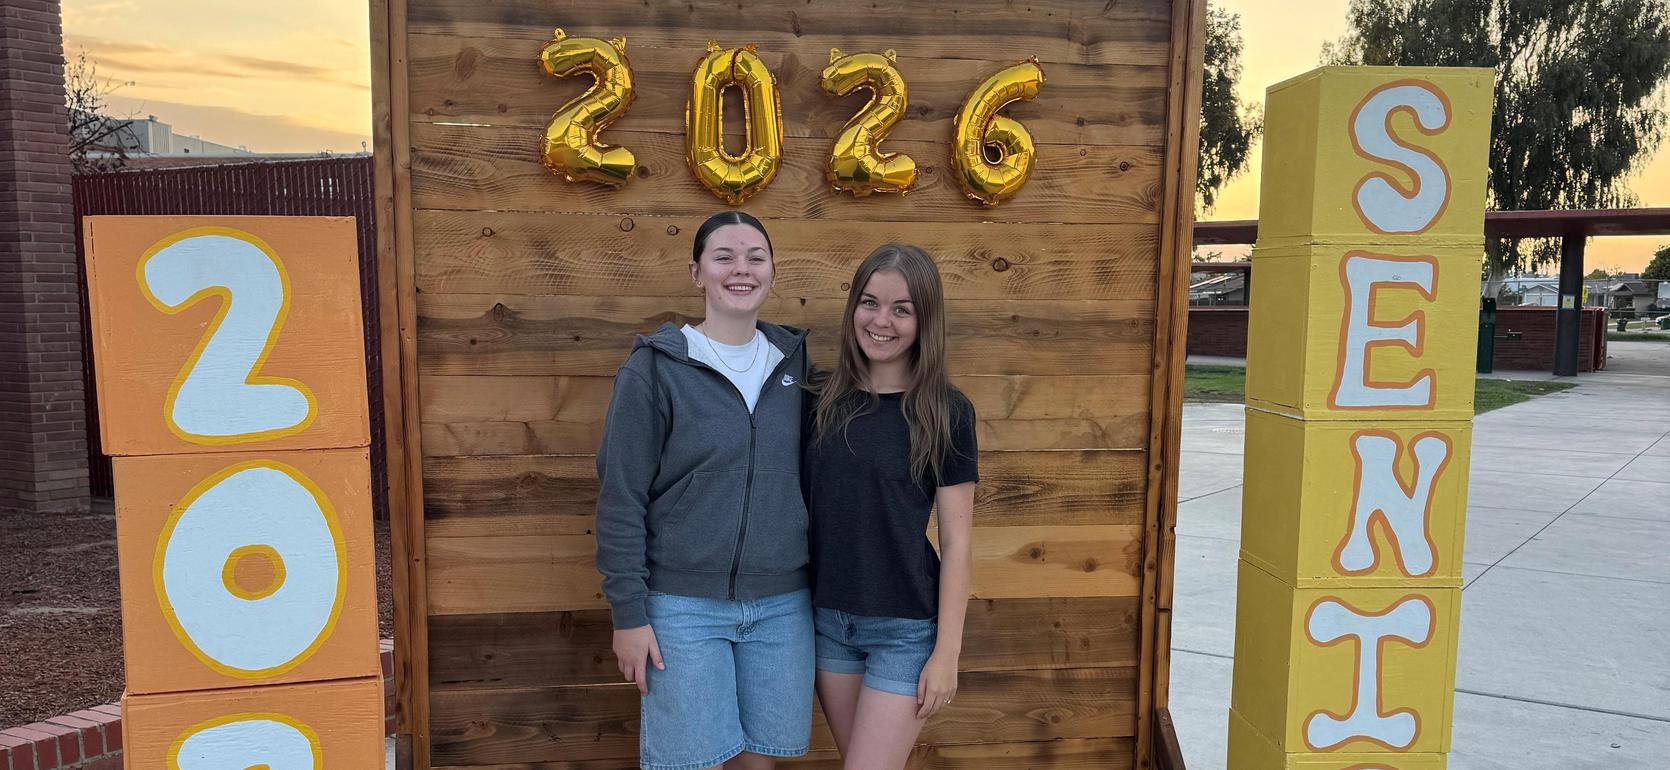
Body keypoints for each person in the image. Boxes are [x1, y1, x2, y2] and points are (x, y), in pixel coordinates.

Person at [595, 211, 814, 770]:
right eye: (724, 257)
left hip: (781, 607)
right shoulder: (655, 369)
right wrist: (628, 614)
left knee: (760, 763)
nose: (741, 269)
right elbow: (621, 498)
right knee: (695, 763)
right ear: (696, 273)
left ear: (772, 273)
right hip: (682, 608)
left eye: (755, 258)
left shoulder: (795, 368)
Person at [802, 243, 979, 769]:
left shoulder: (945, 412)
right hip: (827, 621)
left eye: (902, 309)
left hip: (904, 629)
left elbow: (958, 543)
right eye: (870, 302)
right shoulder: (817, 401)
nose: (881, 321)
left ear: (925, 322)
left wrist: (947, 653)